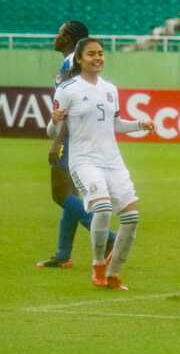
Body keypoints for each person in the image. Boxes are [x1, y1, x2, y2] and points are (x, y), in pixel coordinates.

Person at [46, 38, 155, 290]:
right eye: (91, 54)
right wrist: (54, 120)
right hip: (84, 160)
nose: (98, 58)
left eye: (101, 53)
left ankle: (113, 273)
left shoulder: (110, 89)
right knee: (103, 209)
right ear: (80, 59)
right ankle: (97, 265)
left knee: (131, 217)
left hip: (112, 160)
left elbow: (115, 124)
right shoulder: (67, 89)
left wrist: (140, 124)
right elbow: (52, 131)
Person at [37, 21, 116, 269]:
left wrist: (57, 141)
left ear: (69, 37)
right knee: (70, 195)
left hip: (75, 136)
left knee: (60, 195)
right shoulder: (71, 60)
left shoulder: (73, 61)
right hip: (83, 134)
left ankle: (110, 239)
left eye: (59, 33)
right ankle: (63, 254)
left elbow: (74, 104)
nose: (55, 37)